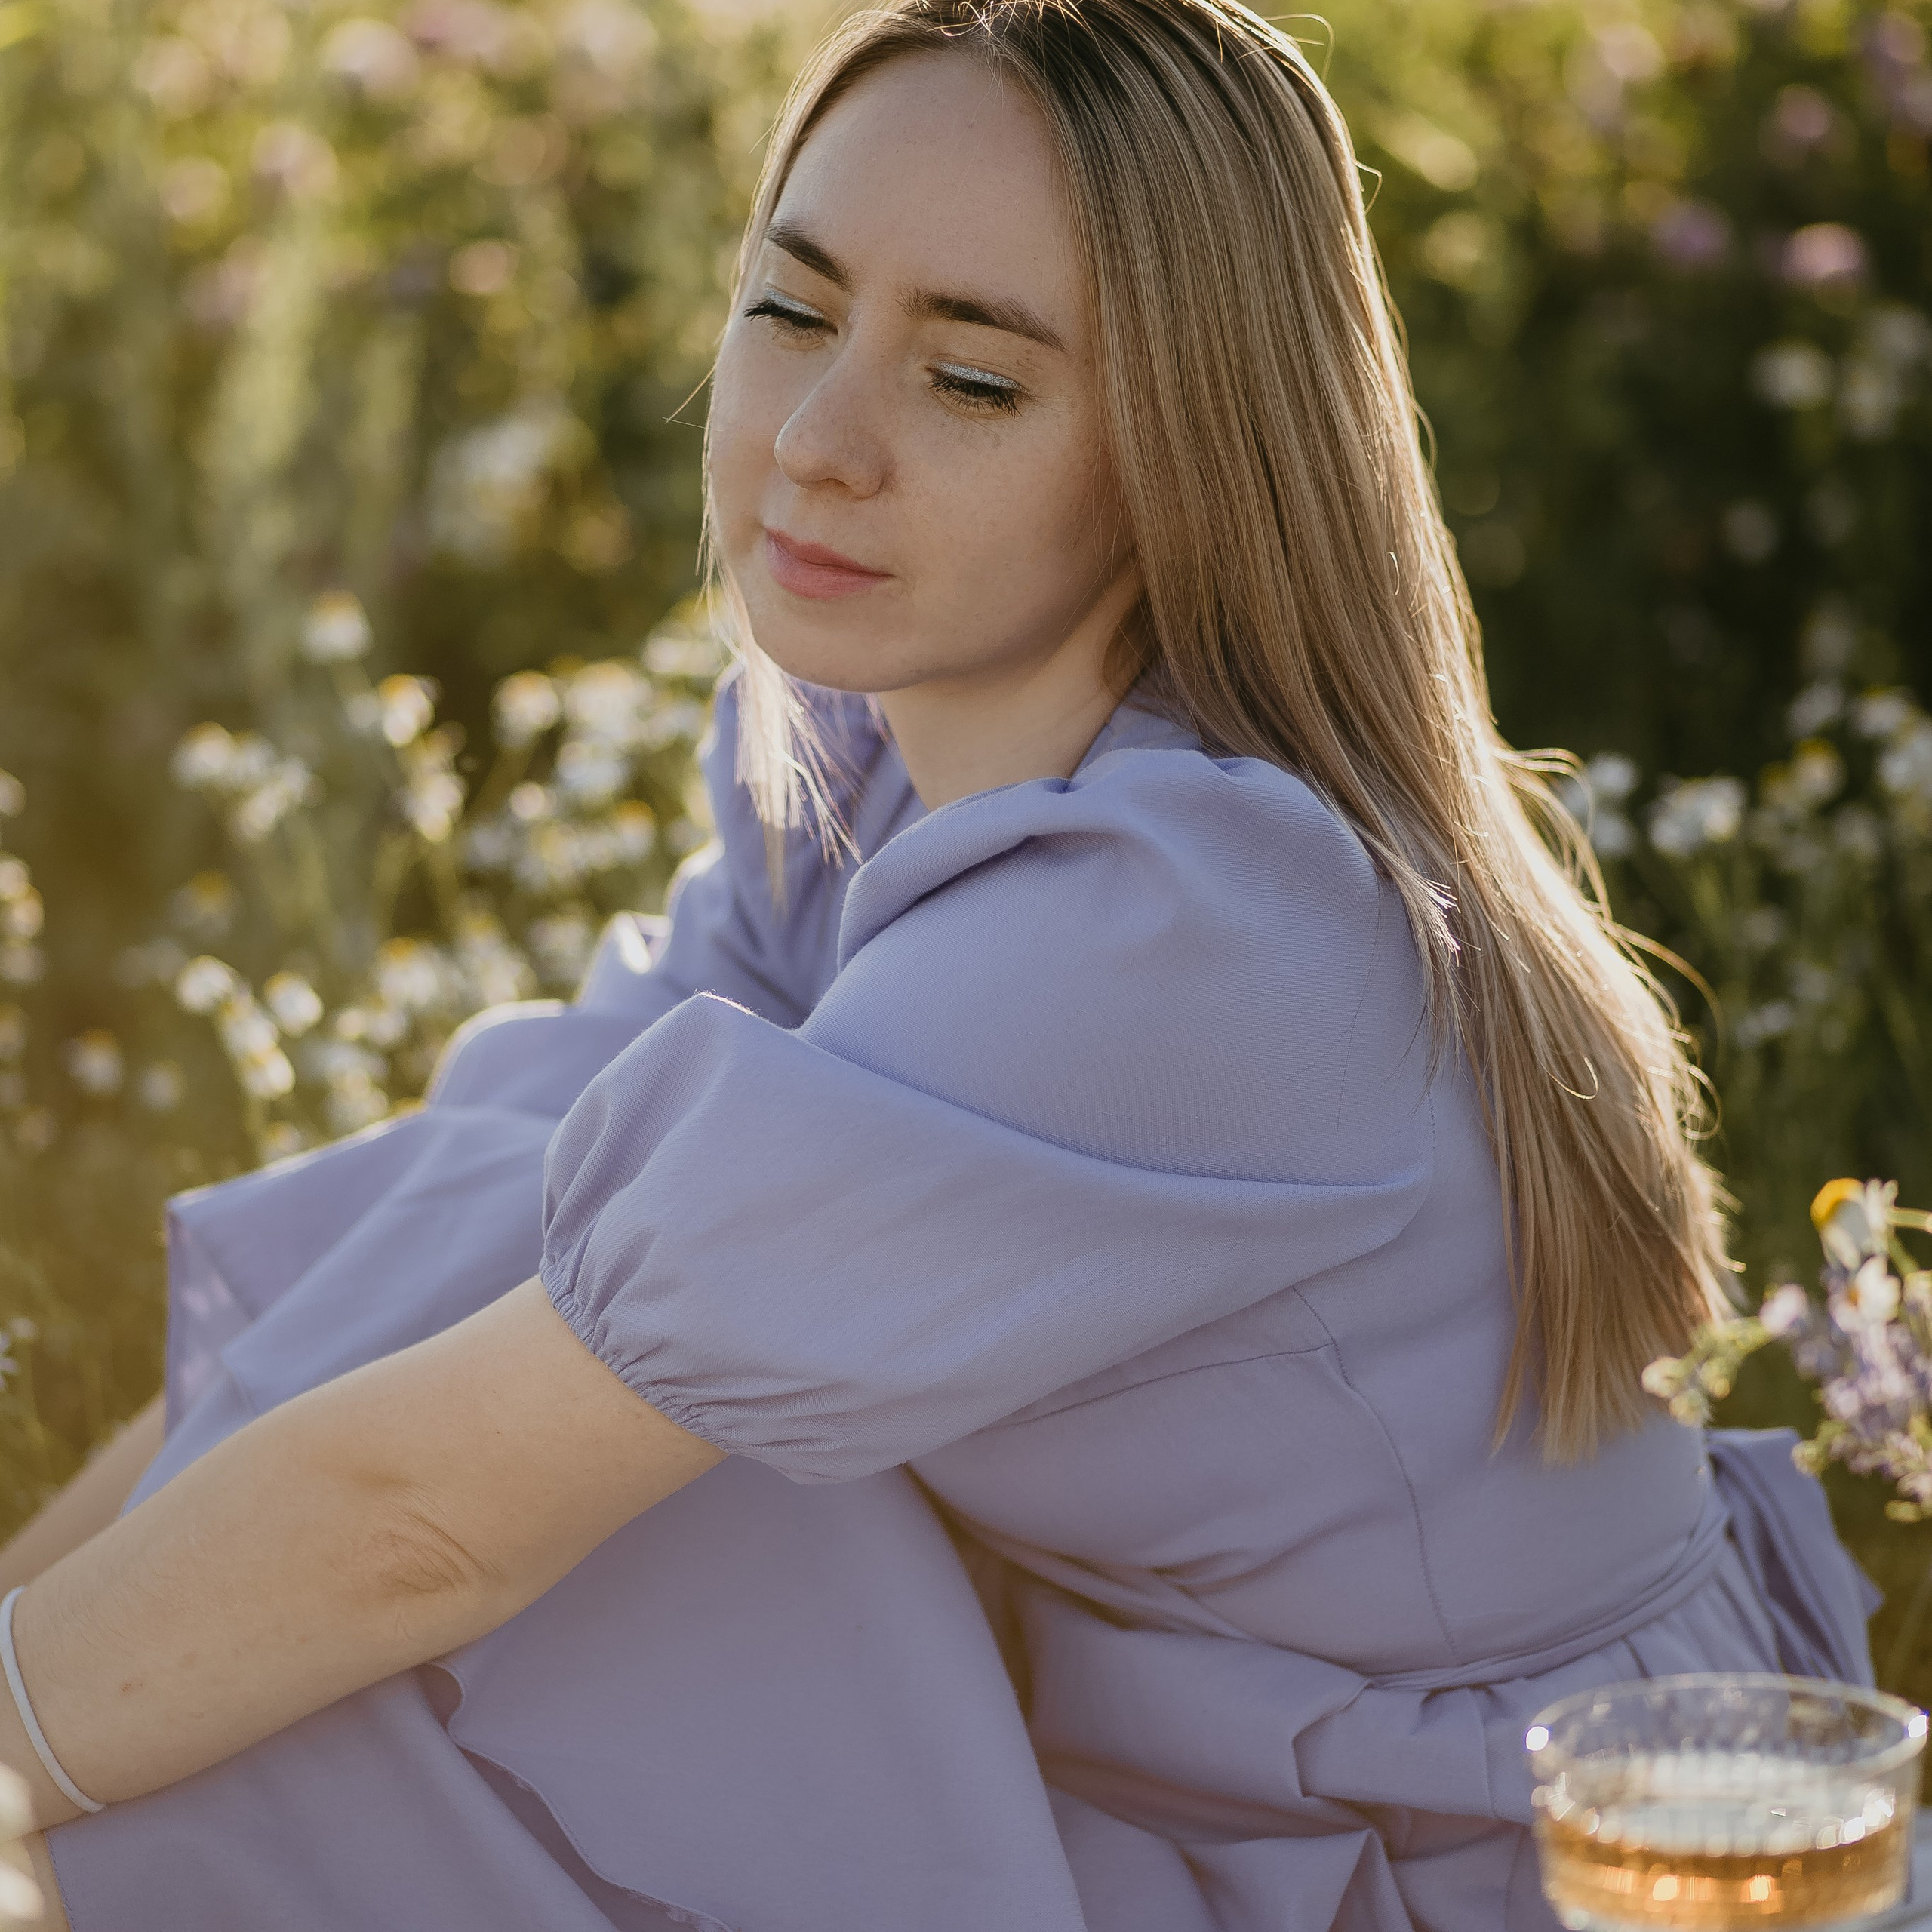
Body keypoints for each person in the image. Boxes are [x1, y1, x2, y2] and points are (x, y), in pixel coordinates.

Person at [0, 3, 1878, 1927]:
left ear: (1187, 457)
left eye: (970, 379)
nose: (816, 442)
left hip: (1468, 1856)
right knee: (514, 1228)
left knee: (352, 1647)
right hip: (1169, 1740)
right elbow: (450, 1246)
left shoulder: (1177, 926)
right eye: (790, 308)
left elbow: (422, 1513)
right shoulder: (878, 745)